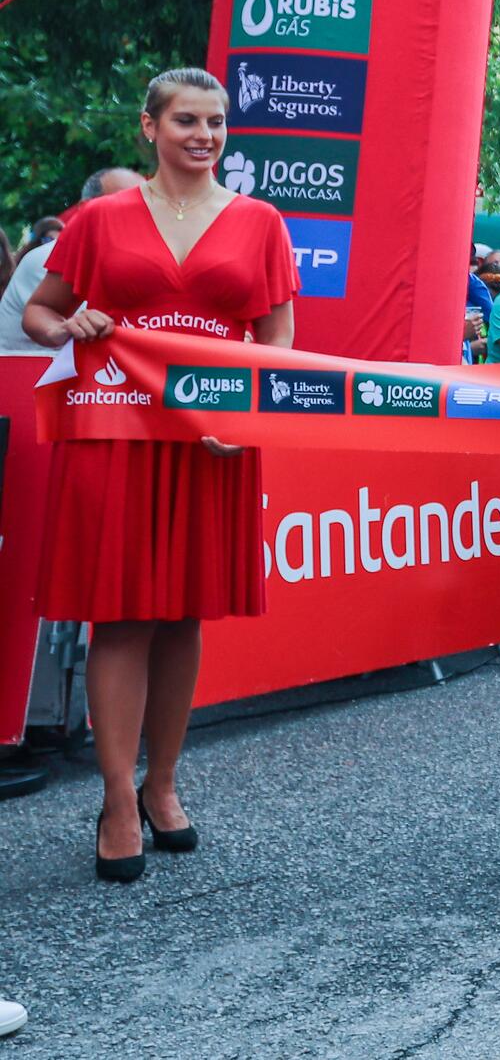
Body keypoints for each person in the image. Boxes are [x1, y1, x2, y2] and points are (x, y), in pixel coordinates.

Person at [21, 69, 299, 882]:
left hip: (208, 441)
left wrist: (241, 419)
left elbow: (277, 340)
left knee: (184, 614)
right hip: (114, 435)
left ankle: (164, 785)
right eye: (186, 120)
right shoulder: (99, 218)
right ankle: (115, 798)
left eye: (216, 121)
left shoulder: (260, 221)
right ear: (149, 127)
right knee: (123, 616)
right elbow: (39, 310)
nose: (204, 135)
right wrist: (68, 322)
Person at [0, 168, 144, 356]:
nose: (138, 216)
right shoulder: (50, 257)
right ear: (87, 208)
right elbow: (93, 328)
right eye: (123, 206)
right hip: (31, 376)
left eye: (145, 207)